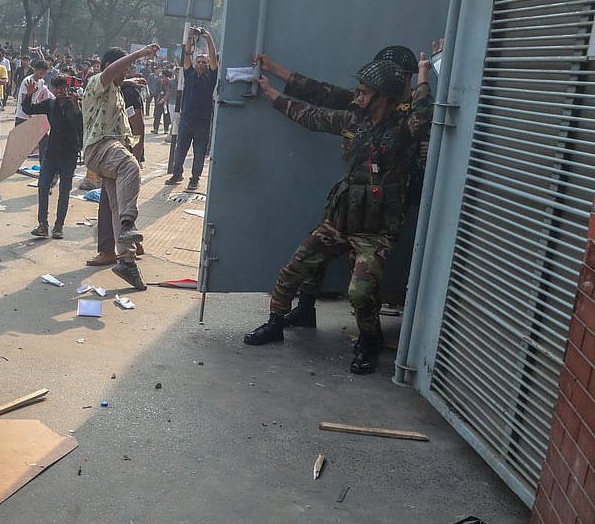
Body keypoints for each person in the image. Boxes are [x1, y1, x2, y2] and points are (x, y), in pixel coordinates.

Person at [243, 53, 434, 375]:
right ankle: (276, 323)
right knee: (293, 269)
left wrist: (425, 76)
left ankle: (369, 341)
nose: (357, 96)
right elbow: (311, 114)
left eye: (363, 92)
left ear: (383, 97)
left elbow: (425, 116)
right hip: (340, 222)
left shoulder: (405, 127)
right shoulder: (354, 119)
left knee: (360, 292)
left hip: (375, 232)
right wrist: (272, 92)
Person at [82, 45, 158, 291]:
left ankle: (127, 262)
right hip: (99, 147)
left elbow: (115, 80)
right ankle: (128, 224)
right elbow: (109, 75)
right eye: (123, 70)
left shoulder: (117, 89)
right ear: (109, 68)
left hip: (110, 150)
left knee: (116, 205)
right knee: (130, 165)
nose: (125, 75)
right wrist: (139, 54)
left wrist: (127, 81)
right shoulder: (96, 81)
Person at [23, 75, 83, 239]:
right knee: (43, 187)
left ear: (67, 87)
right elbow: (29, 109)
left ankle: (58, 227)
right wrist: (29, 94)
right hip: (51, 153)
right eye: (55, 88)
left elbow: (81, 125)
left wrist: (77, 106)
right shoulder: (50, 104)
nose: (58, 91)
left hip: (69, 155)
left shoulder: (75, 104)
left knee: (64, 191)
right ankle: (43, 225)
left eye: (61, 87)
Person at [165, 27, 219, 191]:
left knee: (199, 153)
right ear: (195, 65)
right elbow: (187, 55)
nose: (202, 64)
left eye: (204, 62)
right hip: (186, 120)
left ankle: (194, 179)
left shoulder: (211, 77)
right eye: (199, 62)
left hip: (202, 122)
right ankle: (177, 174)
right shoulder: (189, 75)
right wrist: (189, 39)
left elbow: (212, 58)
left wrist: (208, 39)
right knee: (180, 149)